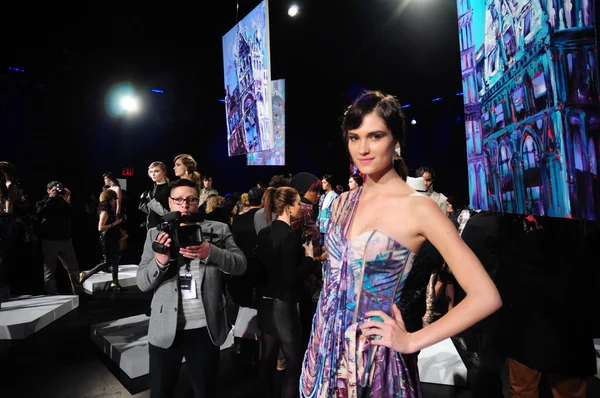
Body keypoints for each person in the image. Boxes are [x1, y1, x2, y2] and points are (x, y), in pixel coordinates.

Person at [300, 90, 501, 397]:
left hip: (373, 361)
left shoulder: (419, 208)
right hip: (323, 354)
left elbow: (486, 296)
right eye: (354, 138)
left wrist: (412, 340)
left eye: (375, 136)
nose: (363, 148)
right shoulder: (340, 203)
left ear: (396, 141)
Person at [136, 179, 246, 398]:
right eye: (178, 199)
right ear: (170, 202)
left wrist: (211, 252)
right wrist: (160, 261)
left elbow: (240, 265)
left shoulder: (218, 229)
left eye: (191, 199)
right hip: (166, 326)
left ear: (199, 202)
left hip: (205, 327)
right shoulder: (154, 235)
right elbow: (142, 282)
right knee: (160, 392)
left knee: (204, 391)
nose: (184, 204)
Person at [257, 186, 316, 398]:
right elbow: (290, 277)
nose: (301, 207)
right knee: (294, 363)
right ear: (289, 208)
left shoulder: (264, 233)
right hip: (283, 305)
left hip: (265, 303)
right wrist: (309, 258)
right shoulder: (290, 236)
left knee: (267, 359)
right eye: (299, 203)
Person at [79, 190, 124, 290]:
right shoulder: (104, 211)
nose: (115, 201)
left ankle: (115, 283)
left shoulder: (109, 209)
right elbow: (100, 227)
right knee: (107, 262)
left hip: (113, 236)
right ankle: (85, 275)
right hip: (107, 238)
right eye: (114, 199)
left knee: (116, 259)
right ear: (109, 199)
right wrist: (115, 223)